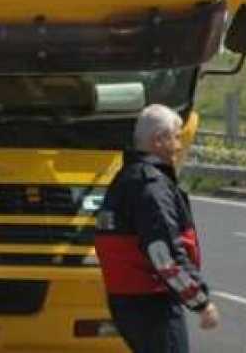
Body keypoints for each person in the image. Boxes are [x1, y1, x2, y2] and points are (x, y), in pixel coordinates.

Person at [94, 104, 220, 353]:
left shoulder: (126, 178)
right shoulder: (152, 186)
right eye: (176, 136)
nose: (179, 145)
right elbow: (164, 255)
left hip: (127, 301)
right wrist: (200, 302)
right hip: (152, 302)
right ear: (159, 140)